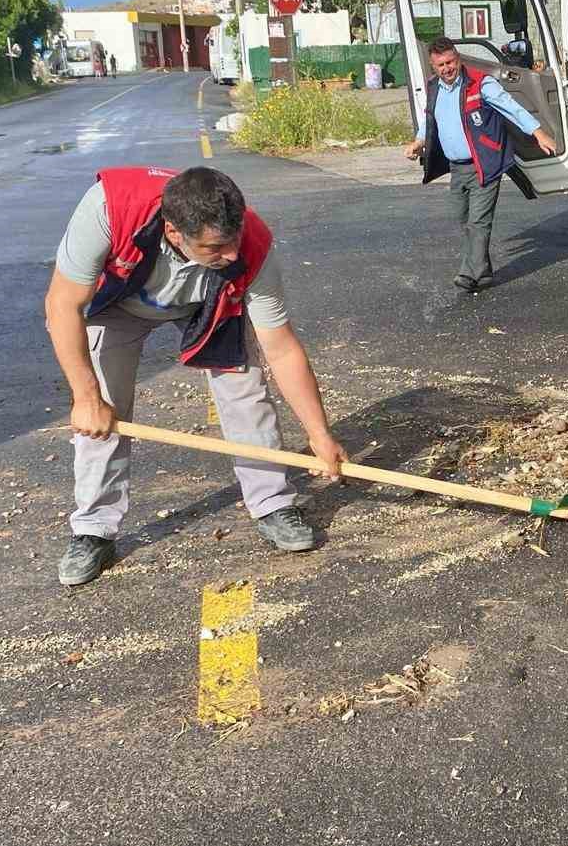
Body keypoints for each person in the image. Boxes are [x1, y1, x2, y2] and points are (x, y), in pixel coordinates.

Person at [44, 166, 349, 586]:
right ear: (173, 232)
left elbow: (280, 346)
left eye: (234, 240)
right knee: (102, 409)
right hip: (120, 303)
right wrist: (86, 396)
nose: (231, 255)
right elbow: (62, 305)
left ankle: (273, 503)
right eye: (215, 248)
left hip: (206, 303)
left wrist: (318, 433)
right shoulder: (109, 208)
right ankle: (93, 529)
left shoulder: (252, 245)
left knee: (246, 387)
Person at [403, 37, 558, 293]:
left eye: (450, 62)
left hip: (484, 163)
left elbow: (512, 108)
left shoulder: (481, 83)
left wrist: (538, 133)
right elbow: (430, 119)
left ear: (458, 58)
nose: (447, 68)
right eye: (440, 65)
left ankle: (468, 273)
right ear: (433, 67)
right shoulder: (435, 88)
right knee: (462, 218)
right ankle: (483, 270)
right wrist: (419, 142)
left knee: (478, 222)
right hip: (457, 168)